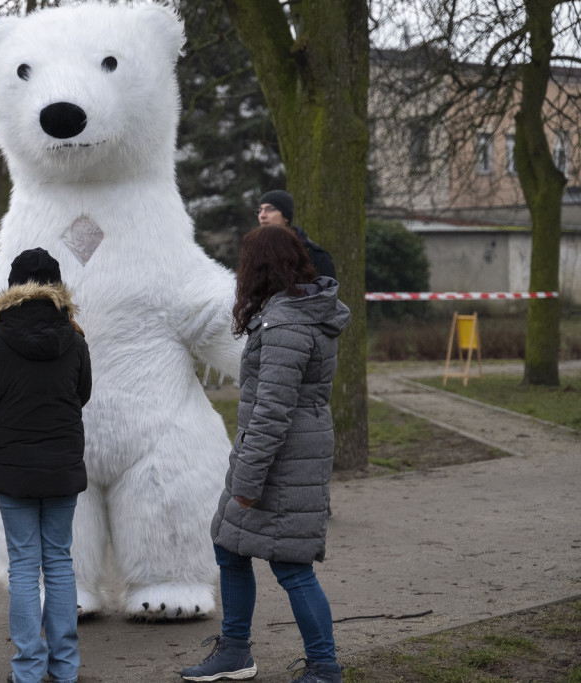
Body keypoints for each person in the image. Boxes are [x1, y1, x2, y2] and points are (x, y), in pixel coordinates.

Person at [180, 227, 350, 683]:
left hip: (283, 460)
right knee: (229, 546)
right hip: (285, 454)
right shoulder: (291, 314)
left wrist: (248, 483)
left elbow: (272, 412)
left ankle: (324, 666)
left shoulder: (288, 325)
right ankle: (235, 652)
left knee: (291, 566)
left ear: (257, 269)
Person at [0, 247, 92, 683]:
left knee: (23, 563)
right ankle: (66, 668)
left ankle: (29, 668)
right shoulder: (74, 339)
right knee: (58, 560)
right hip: (63, 466)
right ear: (57, 288)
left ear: (13, 288)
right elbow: (81, 394)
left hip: (13, 468)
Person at [257, 190, 336, 279]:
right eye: (259, 210)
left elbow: (326, 290)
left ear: (286, 216)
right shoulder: (254, 252)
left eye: (270, 209)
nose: (262, 215)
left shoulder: (313, 255)